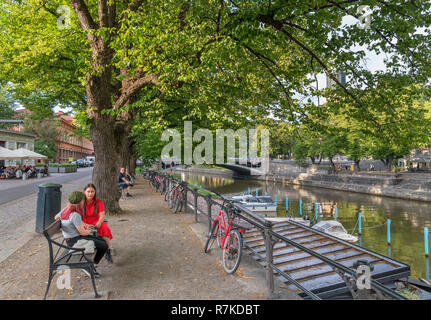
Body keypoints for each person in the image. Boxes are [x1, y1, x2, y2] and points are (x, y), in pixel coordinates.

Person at [55, 191, 108, 276]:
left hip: (70, 240)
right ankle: (91, 265)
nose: (84, 202)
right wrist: (90, 230)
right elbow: (83, 233)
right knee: (104, 245)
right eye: (83, 200)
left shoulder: (65, 211)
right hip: (76, 242)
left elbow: (56, 217)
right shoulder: (75, 214)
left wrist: (82, 226)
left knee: (102, 241)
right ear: (79, 202)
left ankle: (91, 265)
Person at [82, 183, 114, 264]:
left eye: (92, 191)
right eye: (88, 191)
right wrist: (85, 225)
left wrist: (99, 222)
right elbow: (77, 217)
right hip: (84, 222)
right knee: (87, 232)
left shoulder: (98, 201)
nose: (90, 193)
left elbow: (102, 214)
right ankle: (96, 249)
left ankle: (108, 250)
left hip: (96, 221)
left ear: (95, 192)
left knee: (104, 228)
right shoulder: (81, 202)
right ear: (84, 192)